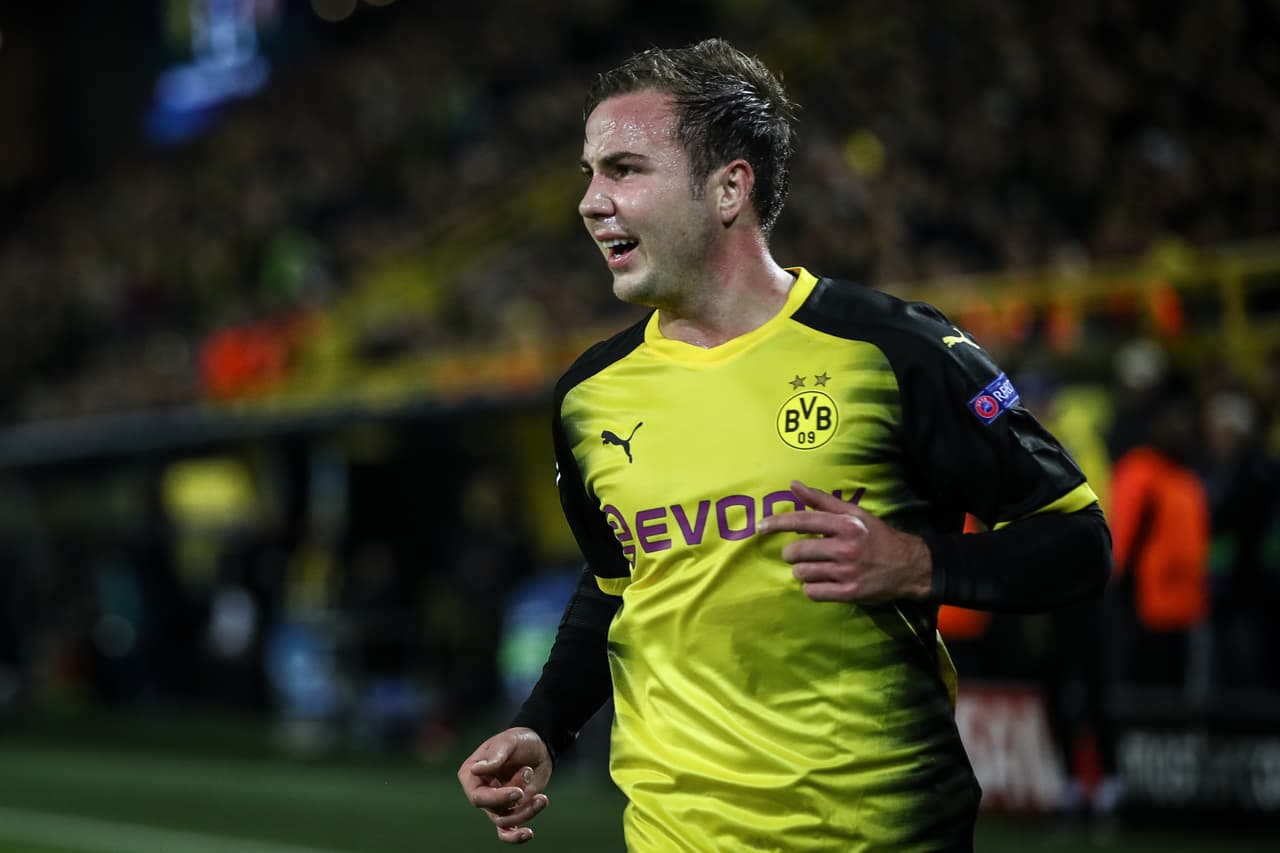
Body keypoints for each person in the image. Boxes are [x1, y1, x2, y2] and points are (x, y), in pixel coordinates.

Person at [457, 38, 1112, 850]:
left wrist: (917, 564)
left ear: (729, 187)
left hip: (883, 834)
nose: (592, 201)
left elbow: (1081, 544)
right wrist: (545, 725)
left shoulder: (889, 350)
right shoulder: (592, 396)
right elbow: (620, 582)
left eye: (624, 170)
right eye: (589, 173)